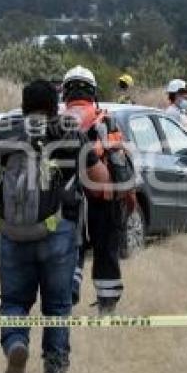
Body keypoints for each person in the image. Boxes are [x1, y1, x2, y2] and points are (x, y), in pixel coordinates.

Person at [0, 79, 109, 373]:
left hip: (11, 233)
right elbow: (102, 181)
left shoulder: (2, 130)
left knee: (13, 301)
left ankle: (15, 344)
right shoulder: (68, 131)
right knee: (57, 308)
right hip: (59, 234)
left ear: (23, 106)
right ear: (56, 106)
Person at [62, 65, 131, 315]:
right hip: (104, 195)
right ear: (92, 91)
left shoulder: (59, 121)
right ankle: (107, 303)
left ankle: (69, 291)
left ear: (65, 92)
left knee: (71, 246)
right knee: (106, 249)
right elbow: (120, 159)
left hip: (68, 196)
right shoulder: (105, 118)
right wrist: (127, 199)